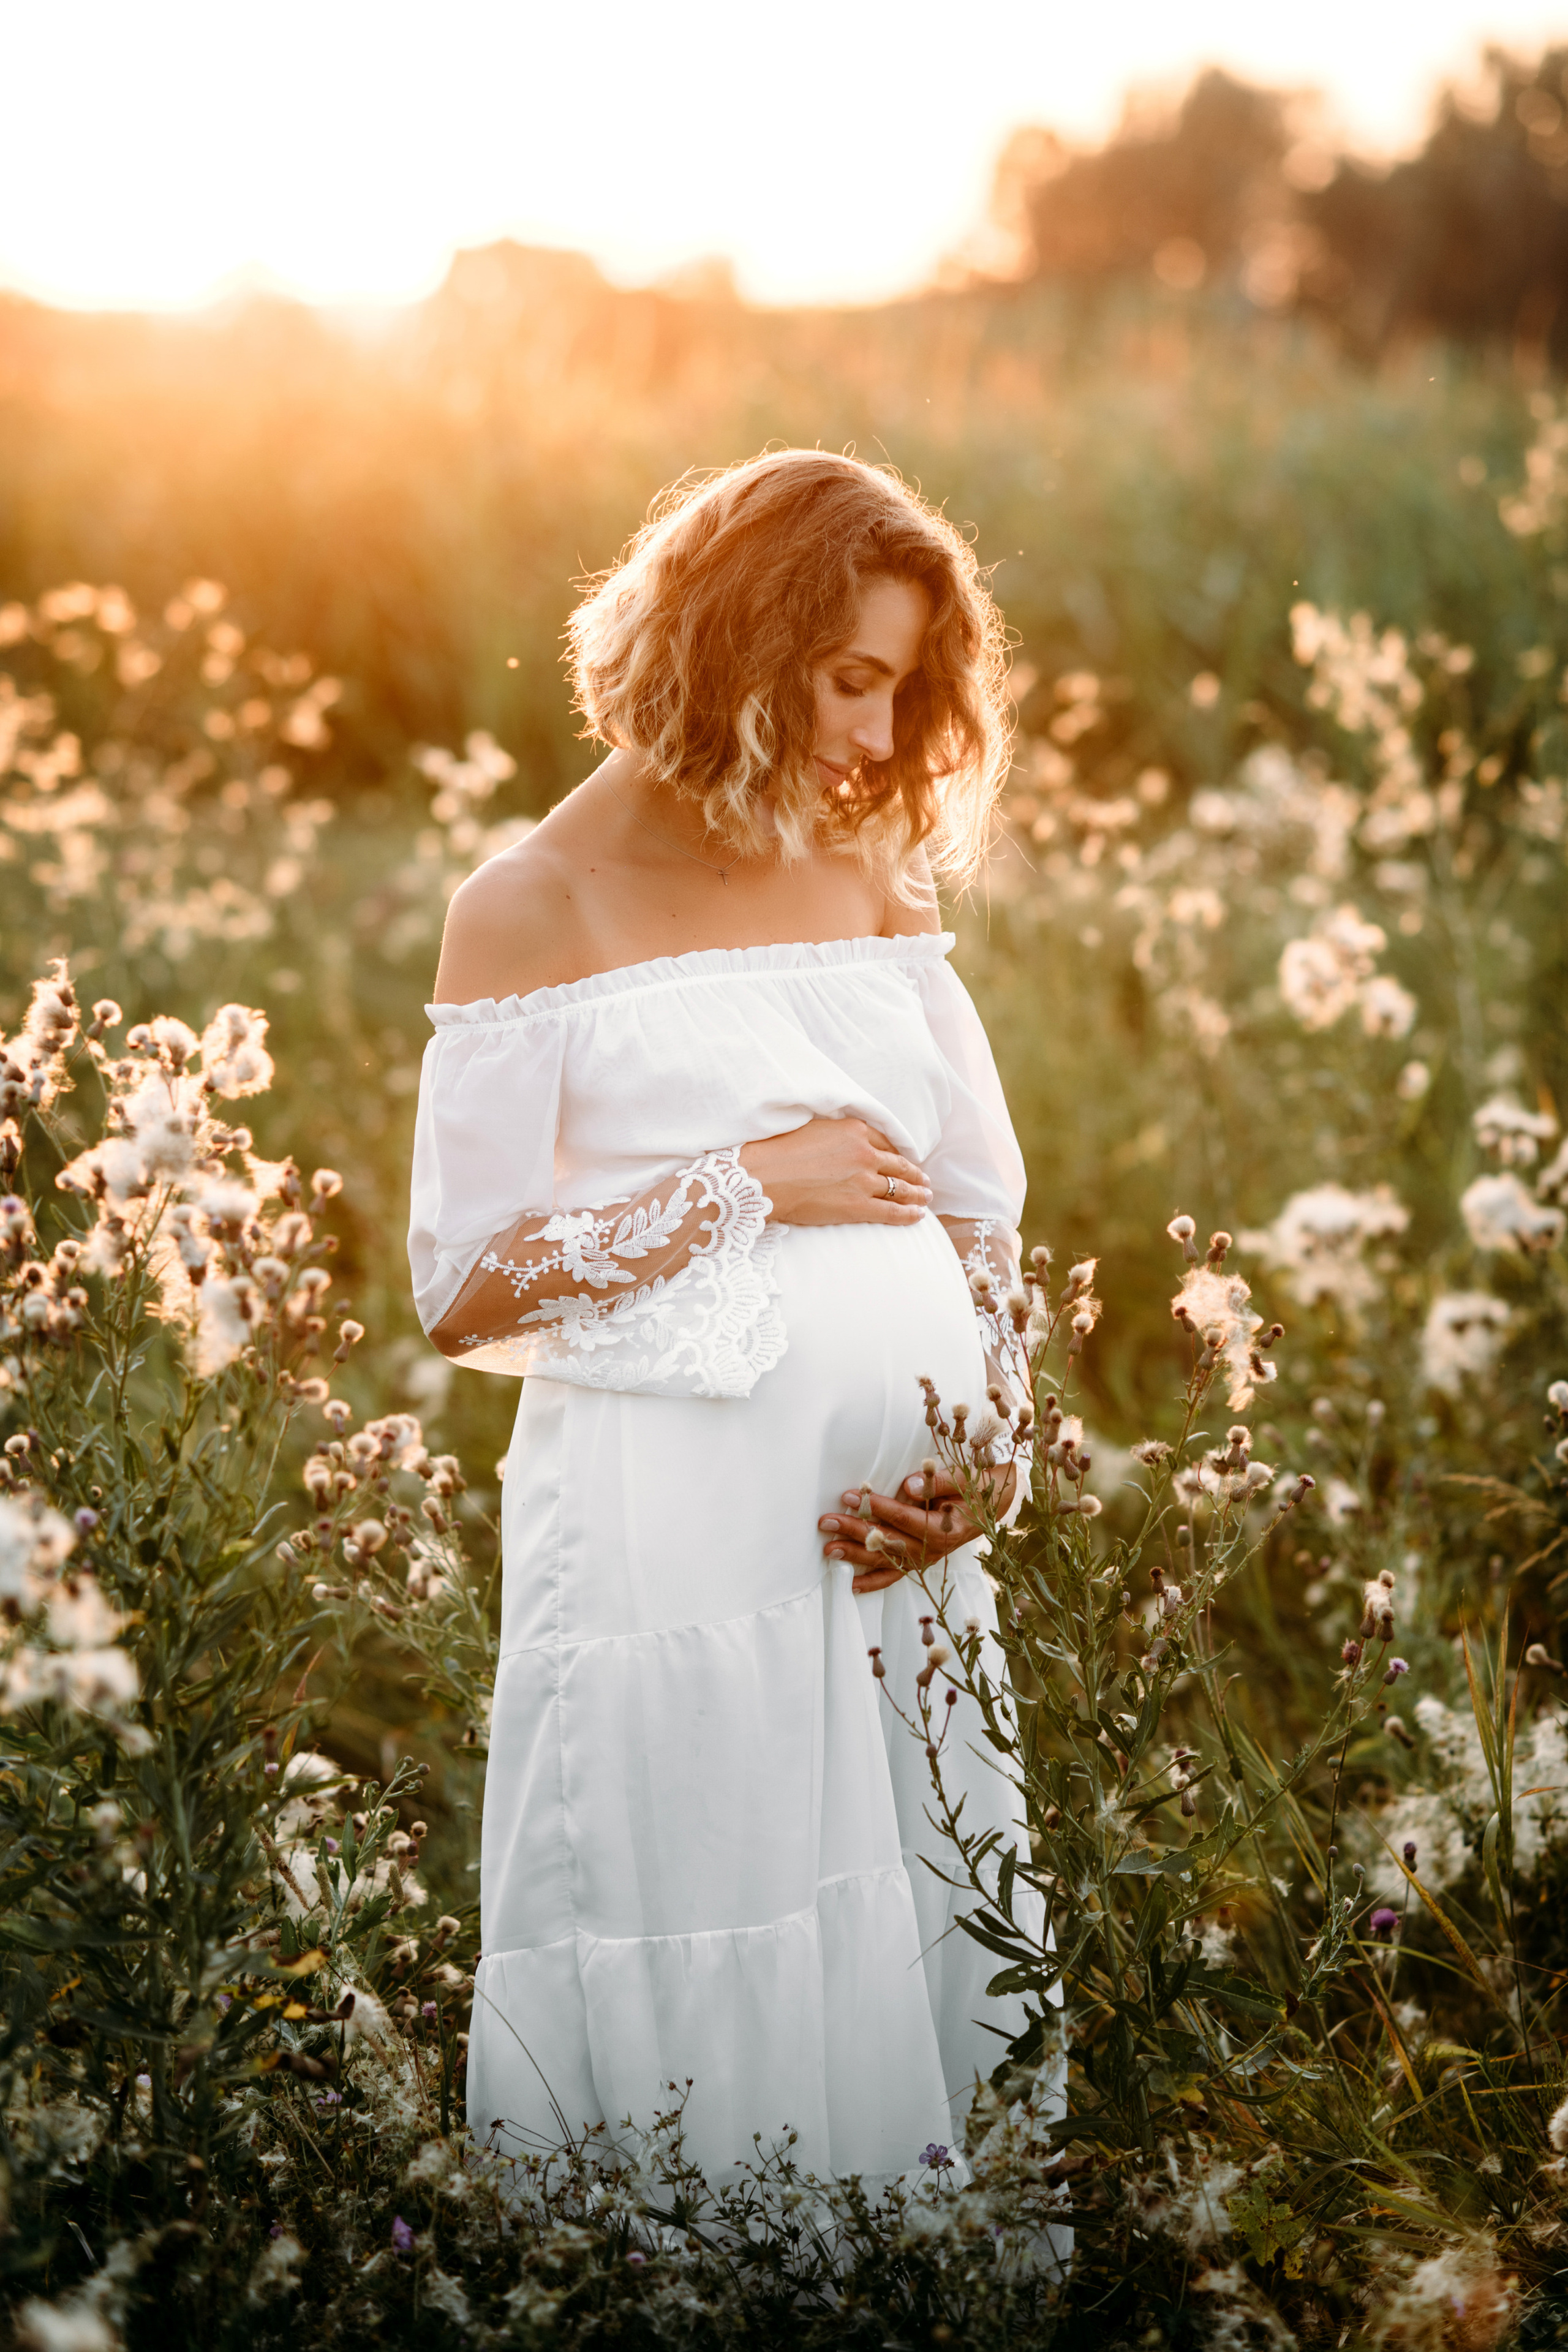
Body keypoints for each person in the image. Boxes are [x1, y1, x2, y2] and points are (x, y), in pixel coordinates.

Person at [409, 449, 1050, 2193]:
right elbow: (462, 1285)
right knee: (712, 1912)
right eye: (850, 678)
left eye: (903, 688)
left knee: (914, 1918)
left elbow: (982, 1222)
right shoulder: (527, 906)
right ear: (734, 644)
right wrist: (750, 1182)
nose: (873, 730)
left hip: (901, 1564)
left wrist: (987, 1459)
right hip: (670, 1547)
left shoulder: (870, 883)